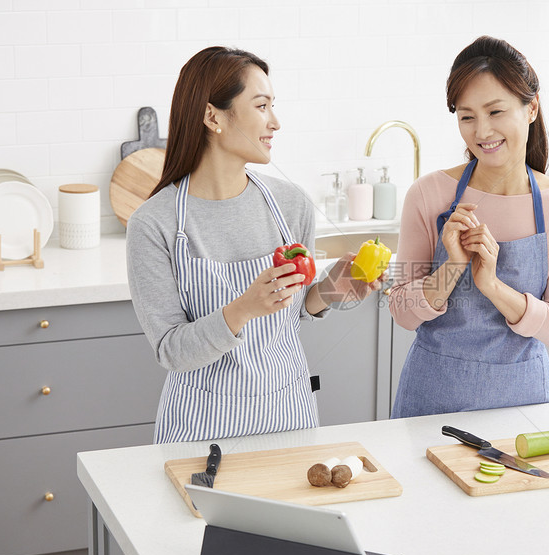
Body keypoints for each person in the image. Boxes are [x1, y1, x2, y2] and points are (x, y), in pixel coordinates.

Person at [127, 46, 383, 443]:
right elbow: (172, 351)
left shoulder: (290, 204)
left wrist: (332, 290)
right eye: (261, 106)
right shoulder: (154, 224)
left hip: (289, 414)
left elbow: (291, 315)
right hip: (202, 427)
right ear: (213, 116)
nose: (275, 122)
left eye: (272, 106)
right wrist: (243, 309)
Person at [389, 36, 549, 417]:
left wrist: (492, 286)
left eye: (495, 112)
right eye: (467, 117)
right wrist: (451, 268)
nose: (481, 132)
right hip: (431, 400)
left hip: (523, 405)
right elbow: (401, 311)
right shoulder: (428, 194)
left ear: (531, 109)